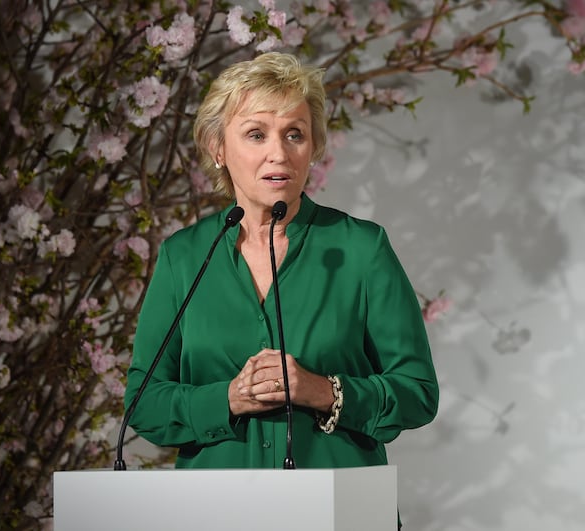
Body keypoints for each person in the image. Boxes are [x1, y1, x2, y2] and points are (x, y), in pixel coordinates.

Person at [125, 52, 437, 479]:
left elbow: (417, 392)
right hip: (216, 512)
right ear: (218, 148)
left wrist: (322, 391)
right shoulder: (184, 257)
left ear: (313, 148)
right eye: (256, 134)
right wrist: (230, 398)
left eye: (294, 134)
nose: (279, 153)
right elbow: (143, 403)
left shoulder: (363, 249)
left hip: (340, 512)